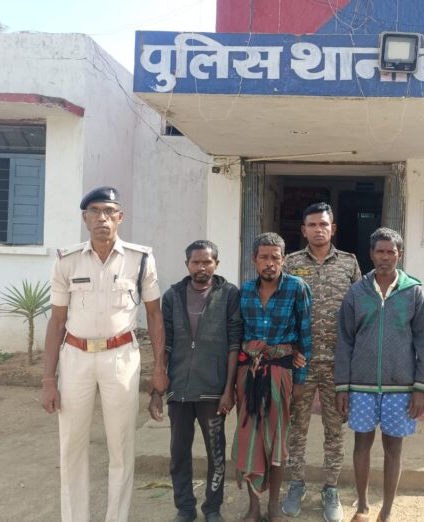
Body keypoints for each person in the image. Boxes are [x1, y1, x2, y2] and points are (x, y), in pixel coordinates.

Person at [41, 186, 167, 522]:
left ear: (120, 217)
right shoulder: (67, 260)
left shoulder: (140, 259)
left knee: (121, 446)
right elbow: (56, 322)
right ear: (85, 219)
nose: (102, 218)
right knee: (72, 445)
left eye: (109, 211)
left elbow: (154, 315)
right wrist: (48, 380)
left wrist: (159, 368)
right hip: (76, 357)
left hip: (120, 357)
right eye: (95, 211)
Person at [335, 227, 424, 522]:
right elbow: (345, 340)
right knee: (361, 446)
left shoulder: (413, 292)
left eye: (391, 252)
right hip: (361, 385)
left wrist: (420, 387)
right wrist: (342, 386)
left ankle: (387, 510)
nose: (385, 257)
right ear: (371, 254)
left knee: (393, 449)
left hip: (400, 387)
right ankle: (363, 506)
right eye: (380, 251)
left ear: (399, 255)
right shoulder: (357, 292)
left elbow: (423, 341)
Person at [148, 240, 242, 522]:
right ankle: (185, 508)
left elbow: (234, 344)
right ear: (187, 264)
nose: (201, 267)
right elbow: (165, 343)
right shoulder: (173, 296)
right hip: (179, 389)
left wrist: (229, 390)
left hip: (212, 391)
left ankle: (212, 508)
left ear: (216, 264)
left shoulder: (229, 294)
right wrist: (157, 390)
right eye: (196, 262)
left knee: (216, 453)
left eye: (207, 262)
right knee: (179, 453)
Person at [281, 202, 361, 522]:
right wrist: (288, 349)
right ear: (304, 230)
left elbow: (359, 312)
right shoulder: (290, 263)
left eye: (323, 224)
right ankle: (296, 484)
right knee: (296, 429)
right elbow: (282, 308)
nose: (318, 230)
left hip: (336, 365)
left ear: (333, 228)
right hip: (301, 362)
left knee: (335, 430)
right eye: (312, 225)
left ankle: (331, 489)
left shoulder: (349, 263)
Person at [233, 232, 312, 522]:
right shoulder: (244, 291)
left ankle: (274, 506)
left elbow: (305, 336)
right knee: (250, 438)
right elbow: (238, 336)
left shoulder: (297, 288)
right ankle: (253, 506)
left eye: (275, 258)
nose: (269, 263)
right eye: (264, 257)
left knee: (278, 440)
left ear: (283, 259)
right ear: (254, 259)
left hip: (281, 374)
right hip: (249, 375)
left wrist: (300, 379)